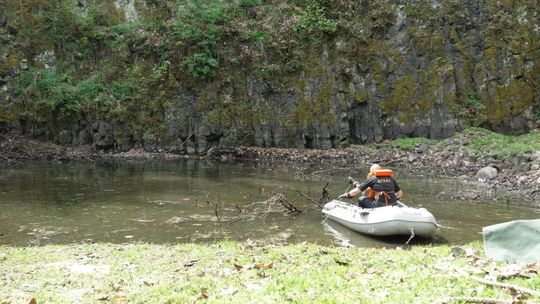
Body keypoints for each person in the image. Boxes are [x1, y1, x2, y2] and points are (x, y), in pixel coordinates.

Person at [338, 164, 403, 208]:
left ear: (372, 172)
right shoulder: (391, 178)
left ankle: (365, 215)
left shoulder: (372, 179)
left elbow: (355, 192)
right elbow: (400, 193)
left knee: (361, 199)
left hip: (381, 206)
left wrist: (346, 195)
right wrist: (395, 199)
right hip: (394, 205)